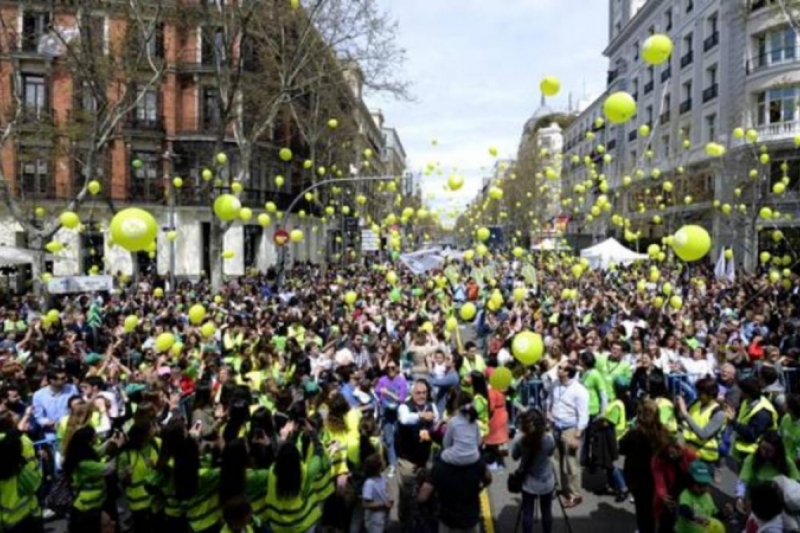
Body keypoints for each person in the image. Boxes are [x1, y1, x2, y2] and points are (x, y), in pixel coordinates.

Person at [64, 426, 124, 533]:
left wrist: (111, 440)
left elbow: (98, 452)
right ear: (88, 440)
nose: (97, 436)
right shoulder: (83, 463)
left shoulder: (82, 452)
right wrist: (120, 449)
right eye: (94, 435)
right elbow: (109, 468)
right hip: (87, 508)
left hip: (96, 503)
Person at [396, 379, 438, 531]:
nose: (422, 396)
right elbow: (405, 419)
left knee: (425, 493)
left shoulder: (432, 406)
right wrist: (421, 416)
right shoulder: (404, 407)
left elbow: (437, 423)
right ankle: (404, 524)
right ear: (412, 394)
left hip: (425, 458)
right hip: (407, 460)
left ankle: (422, 522)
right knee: (406, 495)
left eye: (424, 392)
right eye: (418, 393)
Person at [417, 447, 492, 533]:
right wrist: (479, 489)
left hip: (449, 522)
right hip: (471, 521)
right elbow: (488, 479)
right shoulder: (477, 464)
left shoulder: (439, 467)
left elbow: (422, 497)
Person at [546, 361, 588, 509]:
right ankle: (561, 488)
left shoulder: (579, 390)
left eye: (561, 368)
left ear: (568, 373)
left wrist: (577, 436)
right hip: (555, 426)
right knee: (555, 459)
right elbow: (549, 399)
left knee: (571, 462)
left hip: (570, 428)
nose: (558, 370)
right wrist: (548, 413)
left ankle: (575, 494)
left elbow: (583, 415)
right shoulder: (555, 384)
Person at [620, 399, 664, 533]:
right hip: (659, 480)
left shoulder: (634, 434)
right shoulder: (664, 433)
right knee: (658, 513)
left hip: (640, 481)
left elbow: (621, 448)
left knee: (643, 513)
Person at [511, 409, 555, 533]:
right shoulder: (548, 438)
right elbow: (550, 453)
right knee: (546, 511)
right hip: (546, 481)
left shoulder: (520, 439)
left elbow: (514, 456)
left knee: (528, 512)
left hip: (528, 482)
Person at [727, 377, 779, 465]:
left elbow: (752, 435)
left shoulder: (763, 412)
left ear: (746, 393)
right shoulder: (747, 402)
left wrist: (733, 421)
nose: (739, 393)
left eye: (741, 391)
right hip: (742, 450)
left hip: (756, 453)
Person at [677, 377, 725, 469]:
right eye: (698, 392)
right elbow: (682, 419)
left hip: (705, 457)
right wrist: (678, 408)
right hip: (689, 452)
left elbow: (703, 434)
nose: (698, 395)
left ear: (711, 395)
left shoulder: (719, 413)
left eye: (701, 393)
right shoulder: (696, 403)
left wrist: (685, 414)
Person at [675, 461, 717, 533]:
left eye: (705, 485)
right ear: (690, 481)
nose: (703, 488)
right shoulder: (686, 494)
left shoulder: (707, 496)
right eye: (699, 485)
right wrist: (695, 516)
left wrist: (725, 513)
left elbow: (714, 513)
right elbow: (684, 509)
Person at [361, 453, 392, 533]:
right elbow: (365, 504)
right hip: (374, 519)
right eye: (382, 461)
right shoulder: (369, 483)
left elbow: (385, 490)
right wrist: (382, 504)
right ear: (377, 468)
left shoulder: (382, 477)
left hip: (383, 516)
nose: (385, 462)